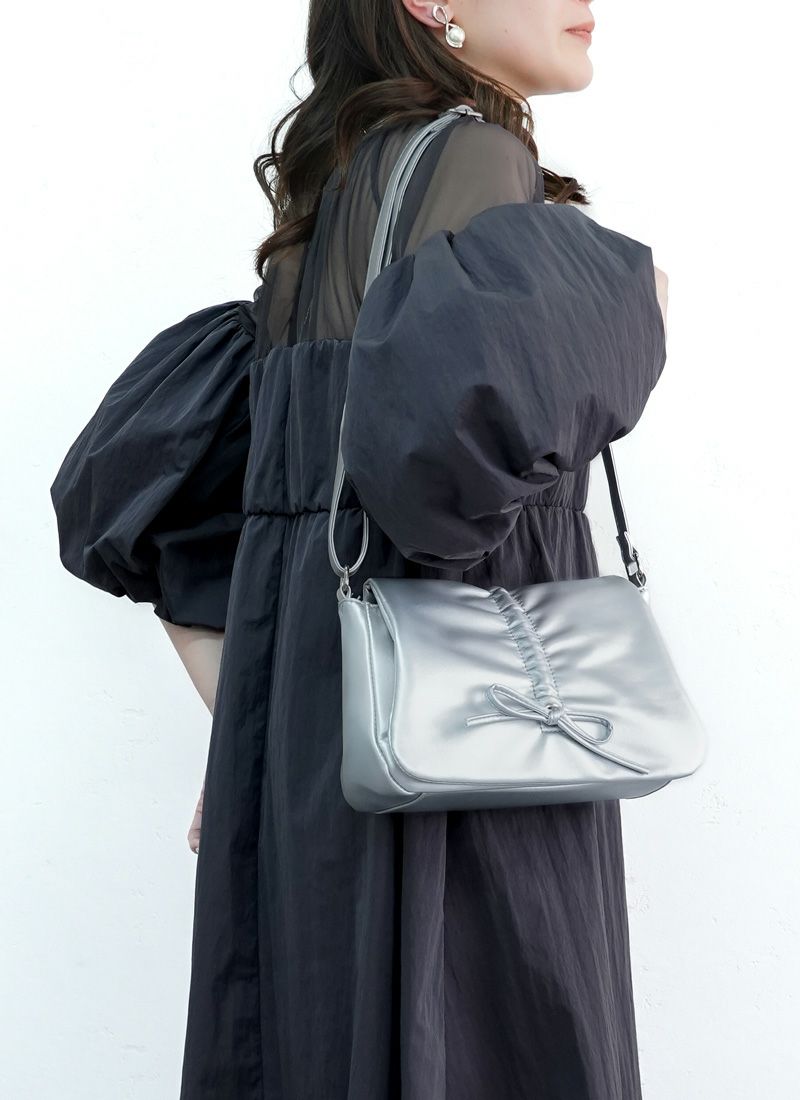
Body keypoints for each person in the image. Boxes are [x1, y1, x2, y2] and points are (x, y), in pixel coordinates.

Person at [49, 0, 669, 1096]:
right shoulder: (475, 157)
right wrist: (632, 303)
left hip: (316, 763)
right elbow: (449, 473)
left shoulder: (331, 190)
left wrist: (261, 725)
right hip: (478, 761)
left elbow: (157, 506)